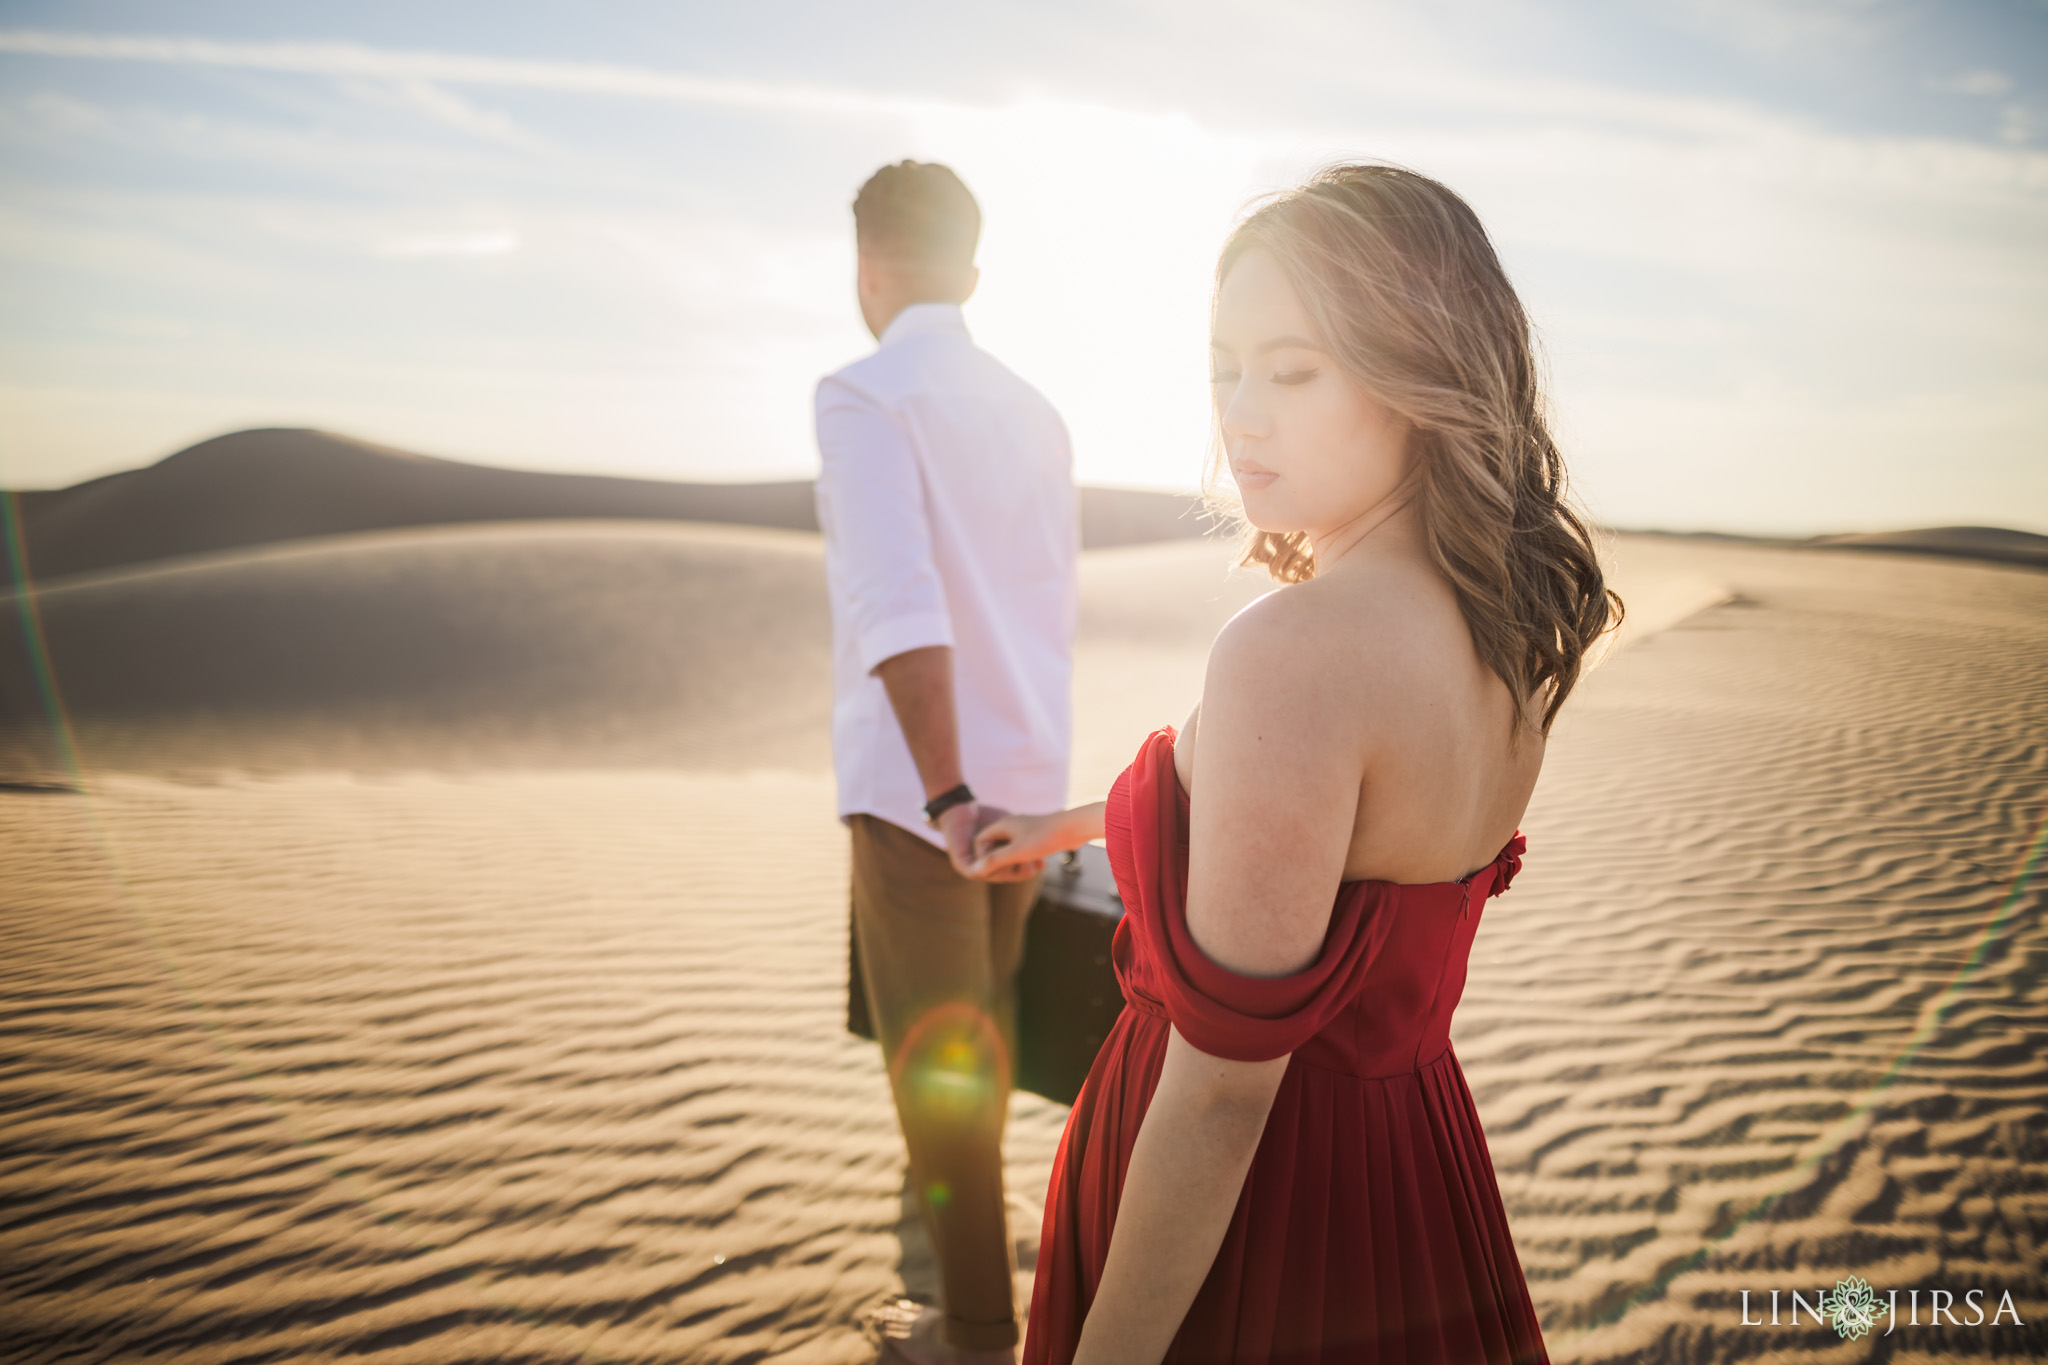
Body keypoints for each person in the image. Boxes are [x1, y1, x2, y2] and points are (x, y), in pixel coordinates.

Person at [969, 164, 1620, 1364]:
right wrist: (1066, 826)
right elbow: (1331, 846)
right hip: (1409, 1173)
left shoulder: (1297, 649)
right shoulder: (1511, 627)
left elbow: (1220, 1101)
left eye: (1292, 367)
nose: (1239, 413)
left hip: (1254, 1211)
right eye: (1225, 366)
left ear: (1416, 373)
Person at [814, 159, 1078, 1364]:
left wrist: (942, 792)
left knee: (938, 1064)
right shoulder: (1035, 410)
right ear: (969, 272)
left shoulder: (864, 394)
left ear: (868, 266)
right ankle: (979, 1269)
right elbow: (1043, 609)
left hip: (936, 798)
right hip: (1024, 778)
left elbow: (895, 604)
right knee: (985, 1035)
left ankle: (974, 1332)